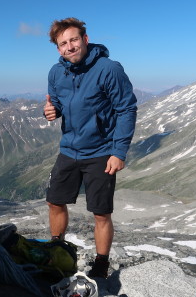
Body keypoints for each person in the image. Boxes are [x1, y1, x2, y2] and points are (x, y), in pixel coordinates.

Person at [43, 18, 137, 278]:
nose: (69, 47)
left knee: (100, 213)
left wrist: (119, 152)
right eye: (63, 43)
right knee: (54, 202)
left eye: (73, 40)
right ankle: (56, 248)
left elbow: (126, 109)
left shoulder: (109, 69)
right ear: (58, 48)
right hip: (69, 150)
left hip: (101, 152)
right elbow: (59, 104)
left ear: (85, 39)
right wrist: (51, 111)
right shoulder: (56, 72)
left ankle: (101, 264)